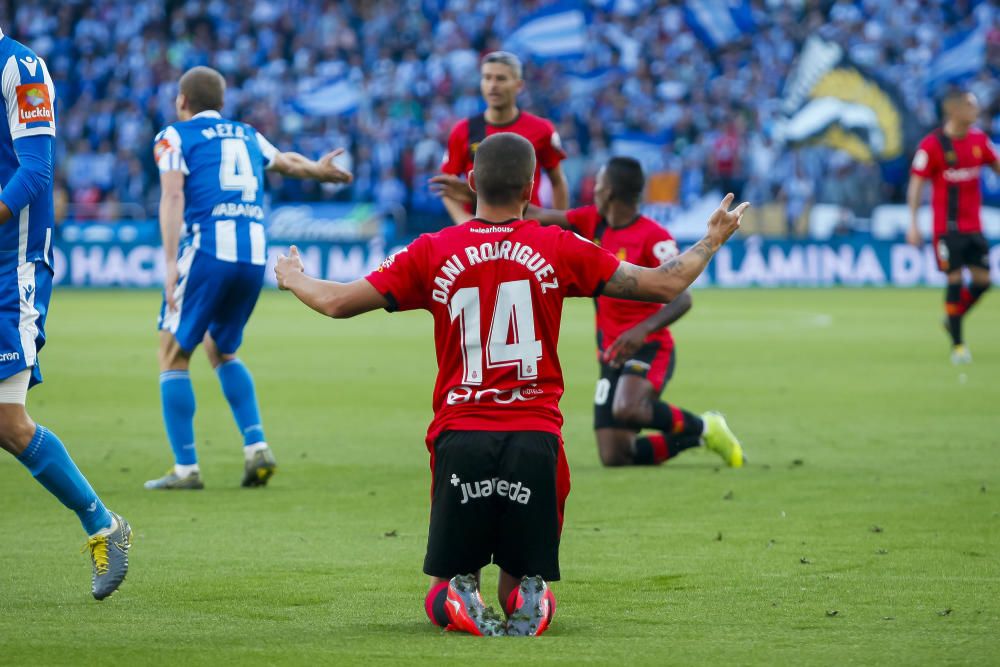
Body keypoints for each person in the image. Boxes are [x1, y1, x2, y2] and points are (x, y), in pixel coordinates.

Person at [274, 133, 747, 636]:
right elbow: (663, 284)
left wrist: (293, 276)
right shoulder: (561, 246)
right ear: (530, 187)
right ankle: (531, 599)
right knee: (517, 582)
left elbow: (337, 301)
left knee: (445, 583)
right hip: (535, 438)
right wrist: (712, 238)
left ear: (473, 182)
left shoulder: (432, 250)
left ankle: (458, 601)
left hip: (462, 435)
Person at [145, 66, 352, 490]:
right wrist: (318, 170)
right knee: (221, 349)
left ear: (182, 102)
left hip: (206, 251)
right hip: (253, 255)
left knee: (171, 352)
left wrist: (168, 263)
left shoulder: (173, 135)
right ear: (221, 103)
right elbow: (285, 162)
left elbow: (172, 194)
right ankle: (256, 446)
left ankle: (186, 468)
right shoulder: (245, 134)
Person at [0, 25, 131, 600]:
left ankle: (103, 524)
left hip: (12, 272)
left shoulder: (20, 69)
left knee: (7, 421)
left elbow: (35, 173)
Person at [528, 157, 744, 468]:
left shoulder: (653, 237)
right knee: (616, 455)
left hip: (649, 345)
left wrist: (642, 329)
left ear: (610, 192)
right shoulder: (592, 222)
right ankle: (701, 436)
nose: (594, 191)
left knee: (628, 408)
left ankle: (706, 424)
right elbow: (536, 214)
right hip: (611, 351)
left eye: (598, 185)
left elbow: (683, 298)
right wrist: (477, 193)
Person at [908, 89, 1000, 364]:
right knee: (955, 279)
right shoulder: (932, 145)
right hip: (947, 229)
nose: (976, 110)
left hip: (974, 227)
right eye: (971, 105)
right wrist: (913, 223)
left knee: (983, 281)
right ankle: (958, 346)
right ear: (955, 111)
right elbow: (916, 184)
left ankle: (953, 317)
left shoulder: (979, 141)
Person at [437, 51, 568, 224]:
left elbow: (557, 181)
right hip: (480, 234)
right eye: (487, 78)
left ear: (519, 85)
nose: (492, 85)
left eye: (500, 79)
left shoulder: (541, 129)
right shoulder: (463, 130)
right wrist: (462, 219)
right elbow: (447, 184)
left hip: (526, 229)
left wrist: (559, 225)